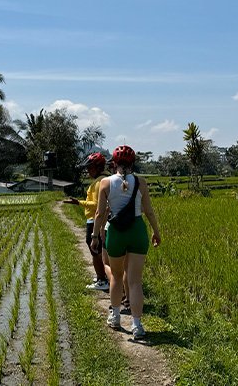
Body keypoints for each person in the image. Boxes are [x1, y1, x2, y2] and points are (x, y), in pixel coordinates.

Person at [92, 145, 161, 339]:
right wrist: (156, 232)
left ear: (113, 163)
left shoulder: (105, 183)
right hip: (137, 231)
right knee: (135, 281)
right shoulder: (141, 182)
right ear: (133, 163)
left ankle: (115, 317)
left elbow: (99, 214)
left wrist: (95, 236)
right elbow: (149, 211)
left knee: (116, 275)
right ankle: (137, 326)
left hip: (117, 232)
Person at [63, 152, 109, 291]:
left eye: (90, 168)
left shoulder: (98, 183)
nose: (88, 171)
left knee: (95, 250)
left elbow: (96, 205)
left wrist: (79, 203)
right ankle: (102, 276)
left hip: (94, 220)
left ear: (97, 167)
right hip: (98, 220)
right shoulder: (104, 180)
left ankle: (102, 279)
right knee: (100, 250)